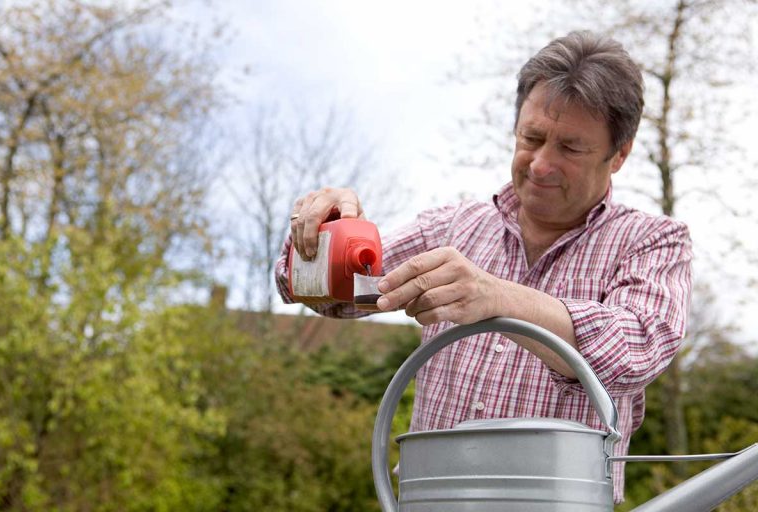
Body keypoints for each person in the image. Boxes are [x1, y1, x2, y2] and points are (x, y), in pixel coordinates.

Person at [274, 30, 692, 503]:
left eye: (571, 148)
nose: (540, 165)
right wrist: (324, 235)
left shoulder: (653, 242)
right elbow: (329, 294)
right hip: (431, 498)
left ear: (619, 154)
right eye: (531, 137)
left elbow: (635, 348)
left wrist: (496, 297)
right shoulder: (453, 226)